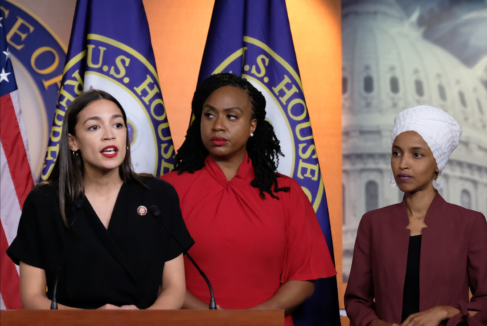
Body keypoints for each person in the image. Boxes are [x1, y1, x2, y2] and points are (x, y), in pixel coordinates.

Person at [161, 73, 336, 326]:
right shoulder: (167, 190)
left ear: (252, 125)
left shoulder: (287, 192)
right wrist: (208, 318)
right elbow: (154, 276)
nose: (218, 125)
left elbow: (304, 280)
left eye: (231, 116)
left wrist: (252, 318)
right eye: (209, 115)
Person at [7, 90, 193, 310]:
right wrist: (93, 321)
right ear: (72, 142)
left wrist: (142, 322)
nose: (109, 135)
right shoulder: (44, 202)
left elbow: (174, 289)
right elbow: (32, 298)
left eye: (118, 125)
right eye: (94, 127)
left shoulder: (158, 195)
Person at [345, 105, 487, 326]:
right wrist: (375, 324)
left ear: (437, 164)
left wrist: (446, 312)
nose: (403, 164)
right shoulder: (373, 223)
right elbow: (356, 300)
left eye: (417, 154)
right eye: (396, 153)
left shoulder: (470, 223)